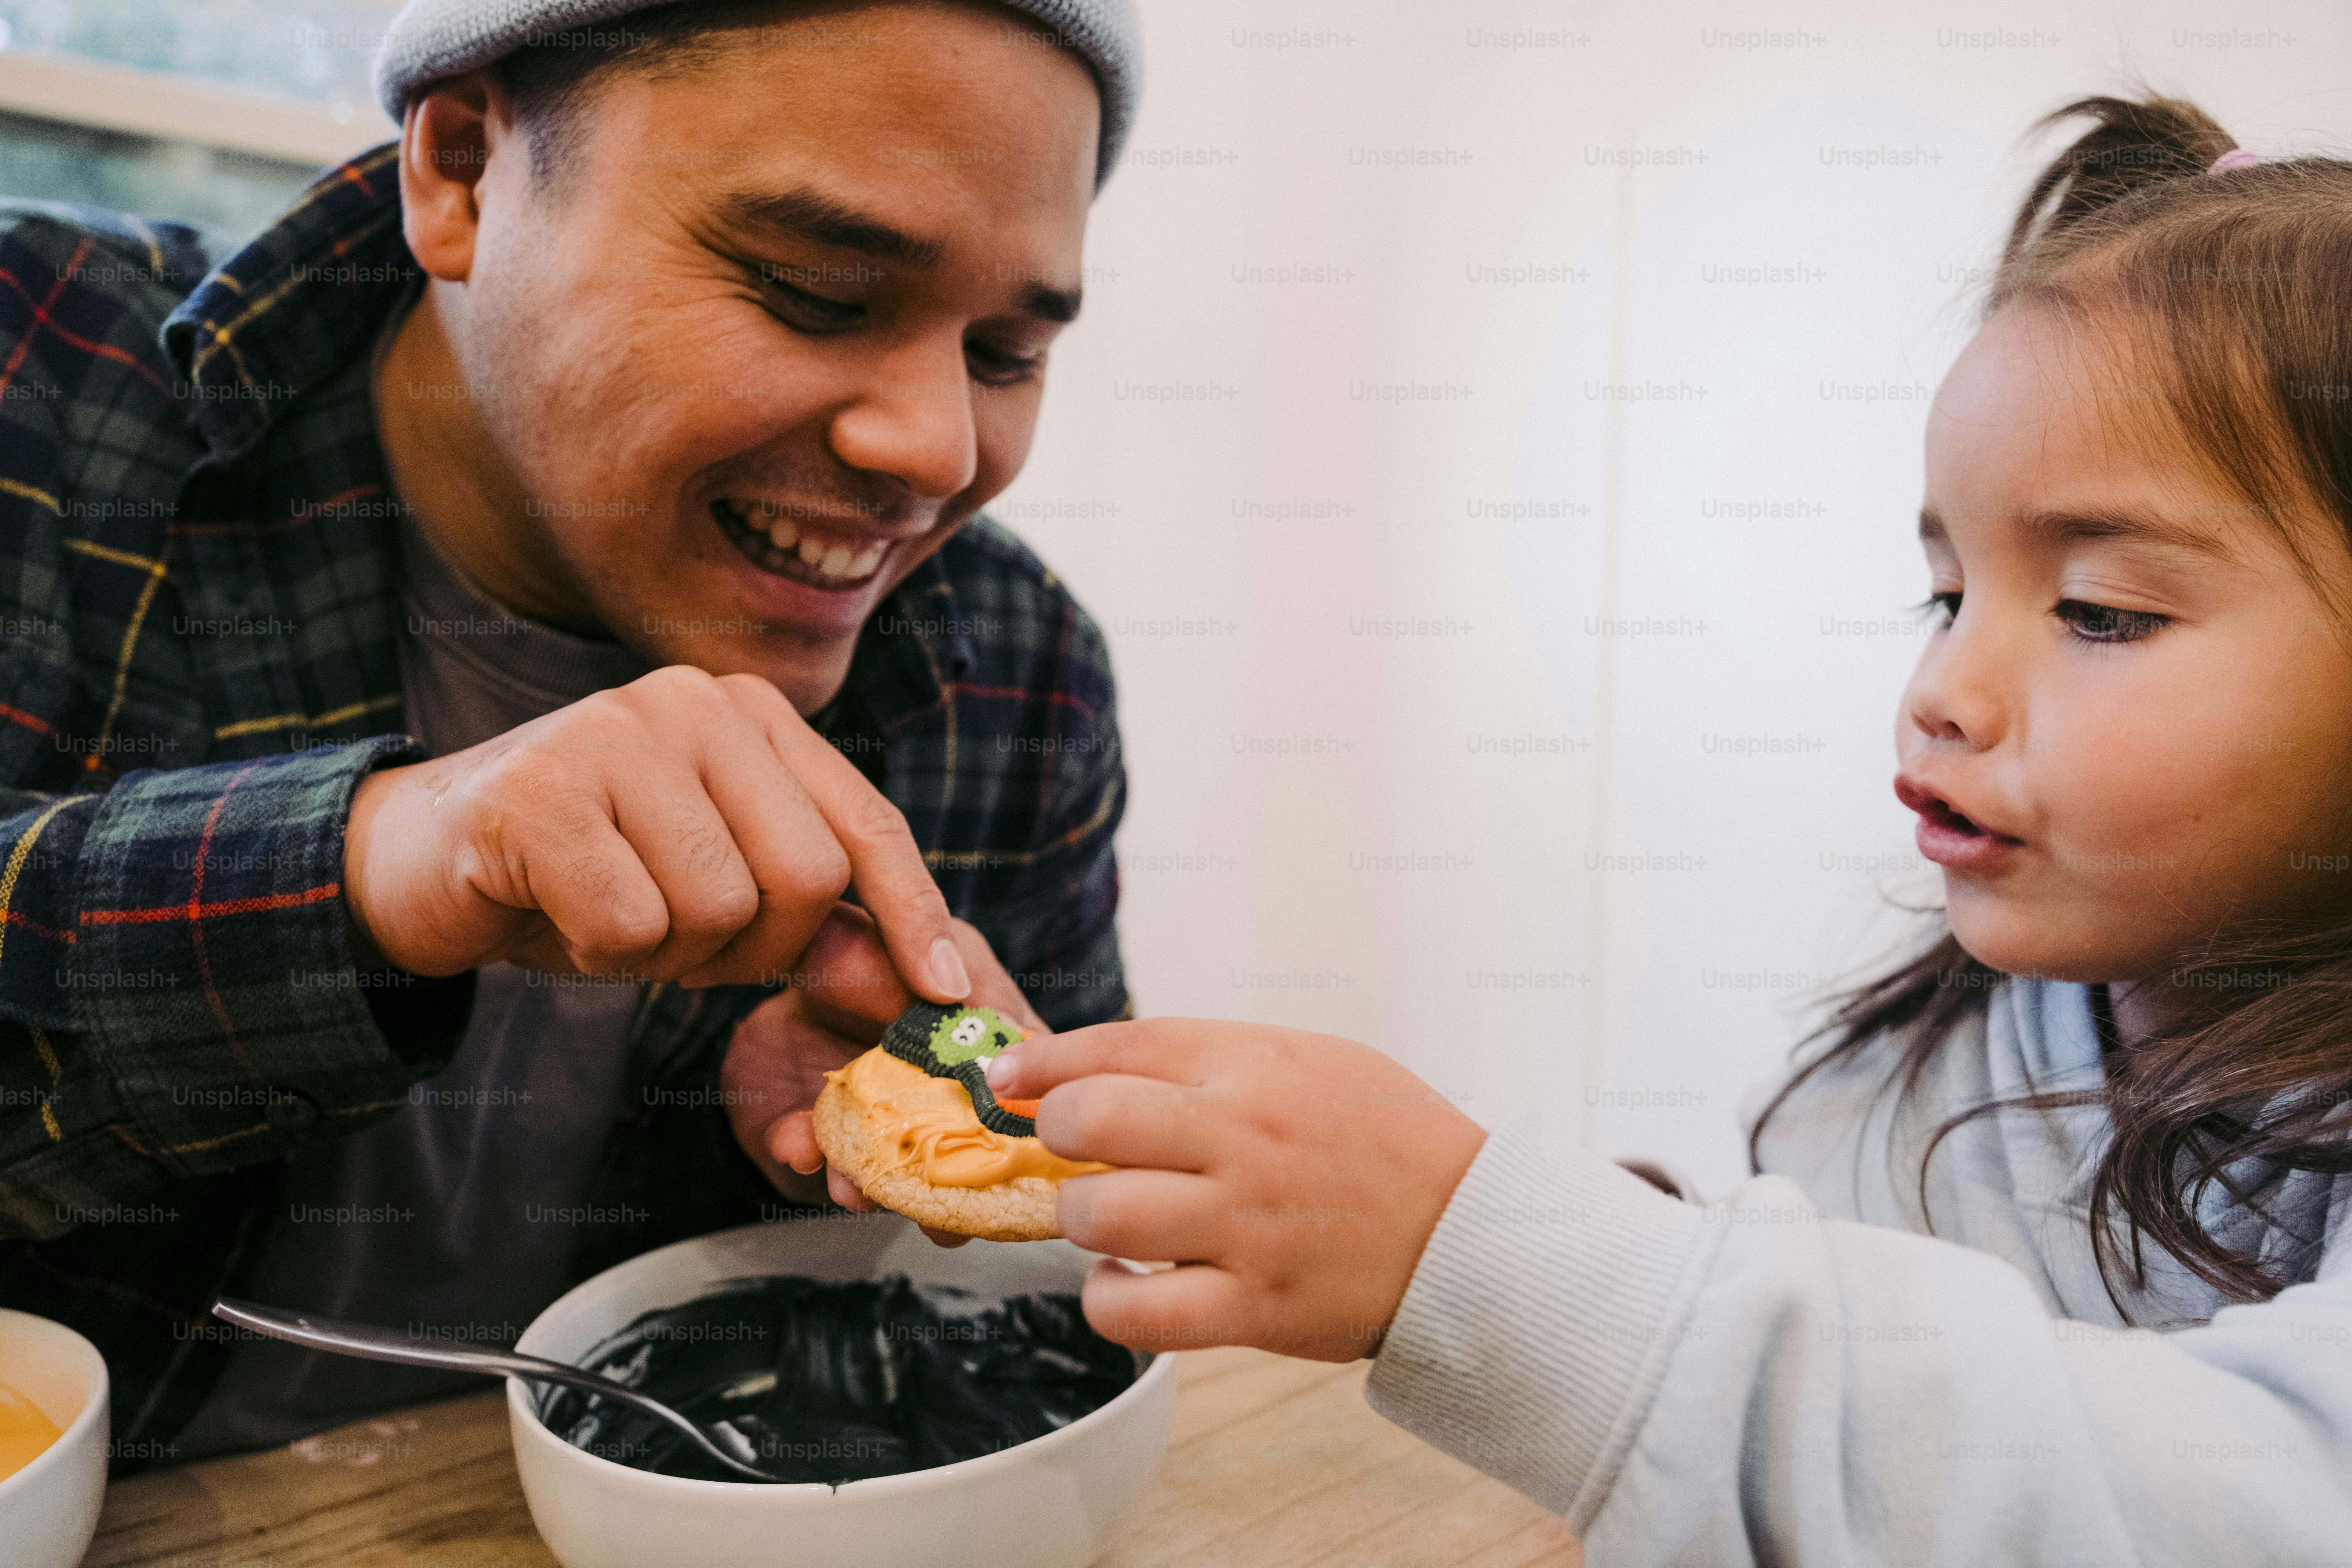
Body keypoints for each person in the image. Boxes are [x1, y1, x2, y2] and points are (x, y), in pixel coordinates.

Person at [980, 95, 2352, 1563]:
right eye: (1947, 597)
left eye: (2102, 611)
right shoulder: (1948, 1050)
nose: (1943, 688)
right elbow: (1842, 1305)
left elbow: (2242, 1502)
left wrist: (1495, 1260)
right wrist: (1630, 1228)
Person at [0, 0, 1139, 1466]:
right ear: (464, 171)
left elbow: (1042, 1263)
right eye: (813, 289)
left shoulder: (1017, 676)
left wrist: (892, 1135)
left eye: (1001, 353)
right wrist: (376, 864)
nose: (935, 449)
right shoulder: (38, 386)